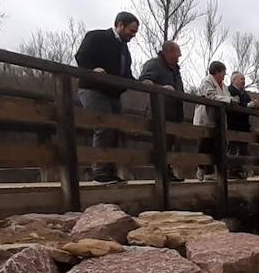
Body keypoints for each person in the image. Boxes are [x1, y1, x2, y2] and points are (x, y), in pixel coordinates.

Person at [74, 12, 138, 183]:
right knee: (103, 126)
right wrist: (93, 69)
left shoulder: (124, 50)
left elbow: (126, 74)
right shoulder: (97, 37)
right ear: (120, 25)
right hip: (93, 88)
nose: (133, 35)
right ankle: (100, 171)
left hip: (113, 93)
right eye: (131, 31)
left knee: (115, 129)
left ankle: (110, 170)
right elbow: (81, 56)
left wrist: (141, 83)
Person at [139, 41, 185, 181]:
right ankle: (160, 174)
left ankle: (167, 171)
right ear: (169, 51)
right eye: (178, 52)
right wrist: (161, 88)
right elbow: (143, 82)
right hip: (160, 110)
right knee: (161, 142)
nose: (180, 55)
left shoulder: (175, 69)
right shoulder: (154, 64)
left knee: (170, 143)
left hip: (174, 111)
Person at [192, 60, 232, 181]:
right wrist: (228, 100)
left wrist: (229, 100)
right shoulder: (207, 82)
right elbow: (211, 96)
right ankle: (201, 169)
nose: (224, 75)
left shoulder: (224, 86)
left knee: (218, 144)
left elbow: (227, 96)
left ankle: (212, 172)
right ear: (217, 72)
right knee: (205, 143)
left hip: (218, 119)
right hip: (206, 117)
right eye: (223, 73)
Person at [227, 71, 259, 179]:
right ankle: (230, 171)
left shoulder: (245, 94)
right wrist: (248, 105)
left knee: (243, 150)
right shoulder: (229, 91)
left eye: (244, 79)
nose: (244, 81)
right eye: (242, 79)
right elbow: (233, 105)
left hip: (244, 126)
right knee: (232, 148)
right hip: (232, 124)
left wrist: (255, 105)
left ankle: (238, 170)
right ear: (234, 80)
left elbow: (249, 105)